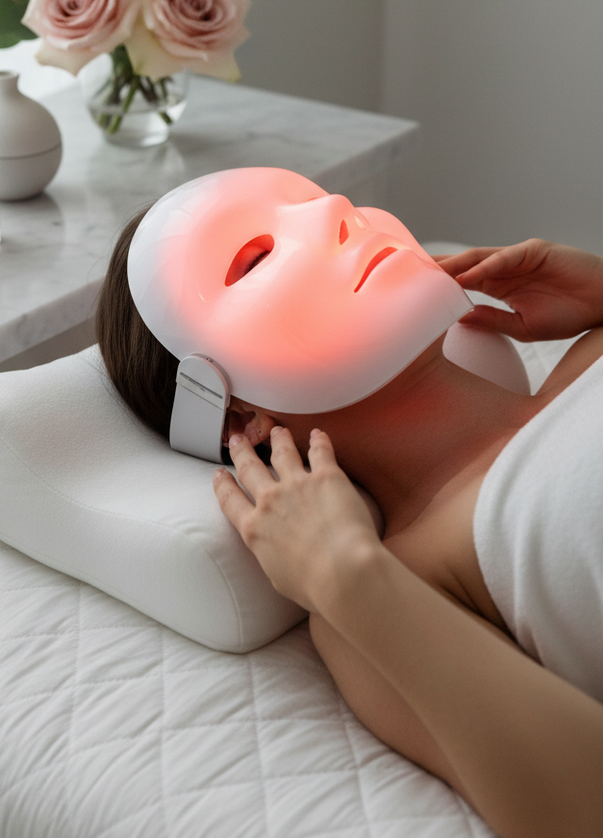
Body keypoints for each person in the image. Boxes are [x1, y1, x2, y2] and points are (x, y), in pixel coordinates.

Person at [96, 185, 603, 838]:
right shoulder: (397, 583)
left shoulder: (590, 344)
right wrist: (347, 577)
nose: (337, 210)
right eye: (255, 257)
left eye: (312, 198)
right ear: (236, 416)